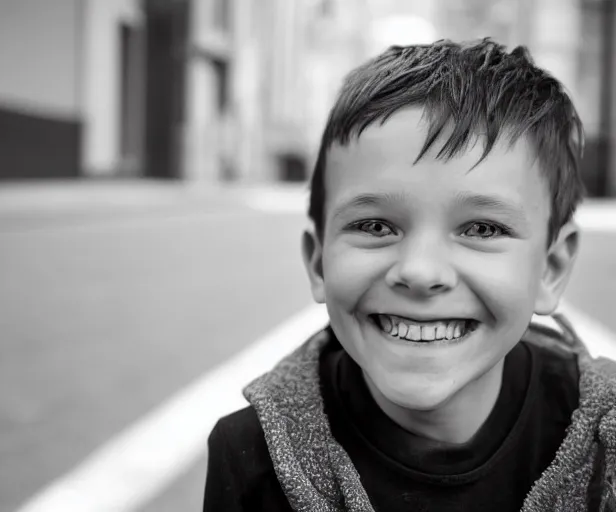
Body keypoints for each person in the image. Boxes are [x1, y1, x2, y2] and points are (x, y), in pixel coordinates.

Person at [203, 38, 616, 511]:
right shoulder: (251, 458)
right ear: (318, 263)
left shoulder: (608, 446)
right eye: (375, 226)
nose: (420, 272)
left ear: (551, 268)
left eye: (482, 228)